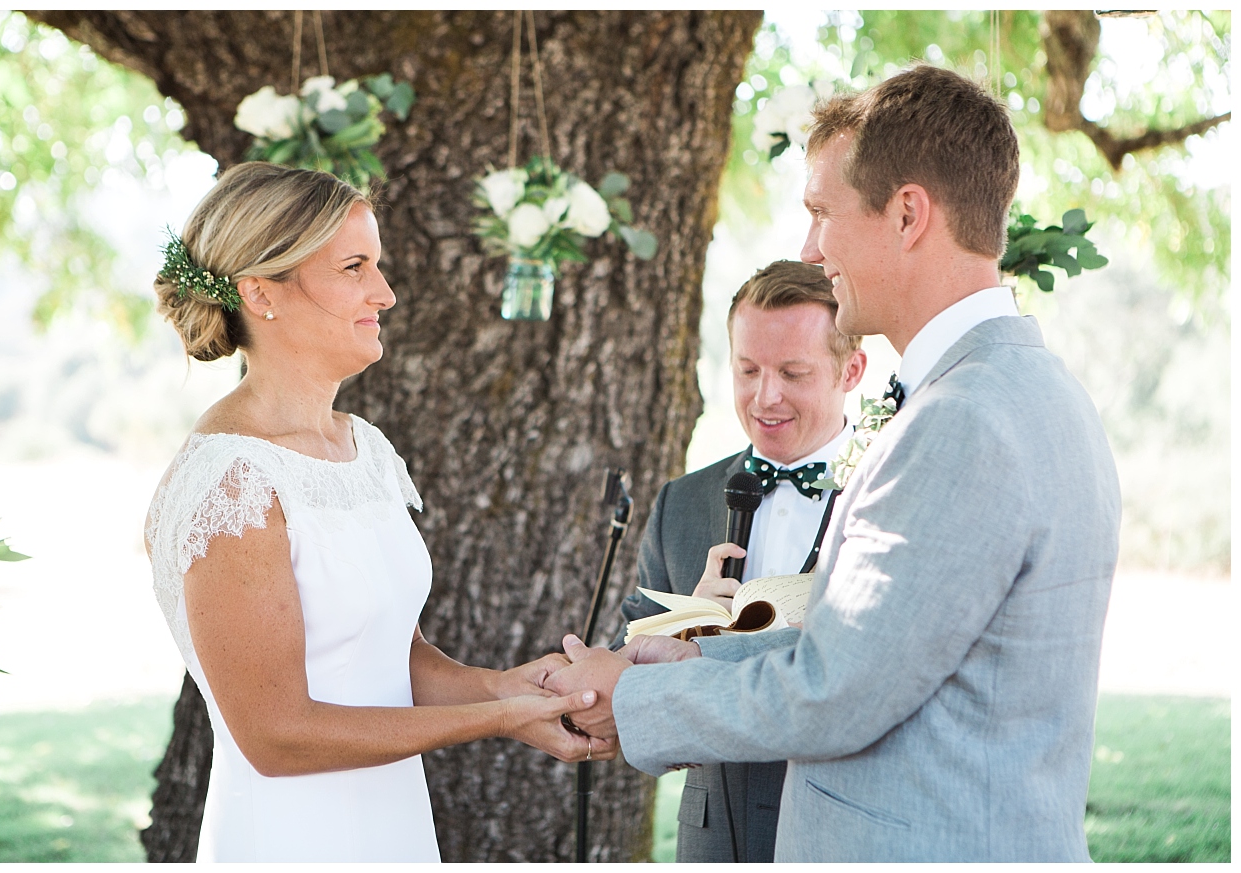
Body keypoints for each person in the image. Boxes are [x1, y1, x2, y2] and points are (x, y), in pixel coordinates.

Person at [547, 64, 1121, 862]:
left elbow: (837, 691)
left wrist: (638, 695)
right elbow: (879, 647)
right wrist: (697, 650)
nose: (811, 249)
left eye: (822, 212)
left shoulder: (960, 420)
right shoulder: (1033, 387)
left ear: (907, 214)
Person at [143, 162, 614, 863]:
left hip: (393, 825)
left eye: (377, 265)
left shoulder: (363, 448)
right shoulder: (232, 482)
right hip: (294, 839)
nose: (385, 293)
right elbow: (275, 736)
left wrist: (508, 686)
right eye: (354, 267)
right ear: (260, 292)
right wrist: (497, 718)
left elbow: (397, 658)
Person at [611, 260, 864, 862]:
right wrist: (688, 624)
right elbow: (622, 667)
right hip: (713, 840)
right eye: (748, 370)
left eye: (793, 373)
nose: (764, 396)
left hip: (842, 833)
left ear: (850, 370)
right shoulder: (681, 503)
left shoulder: (889, 492)